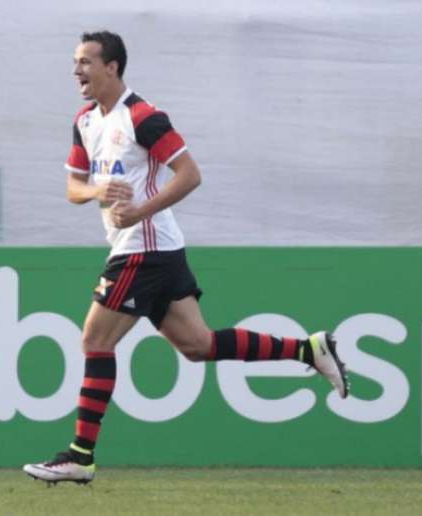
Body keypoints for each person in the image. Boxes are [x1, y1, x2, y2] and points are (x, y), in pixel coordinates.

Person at [23, 30, 348, 485]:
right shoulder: (85, 121)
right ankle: (308, 350)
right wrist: (97, 189)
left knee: (95, 342)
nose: (76, 70)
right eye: (75, 62)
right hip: (153, 249)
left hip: (147, 247)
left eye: (85, 62)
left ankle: (80, 455)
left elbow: (190, 174)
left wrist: (140, 209)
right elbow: (73, 188)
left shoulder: (143, 116)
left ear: (112, 67)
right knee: (198, 346)